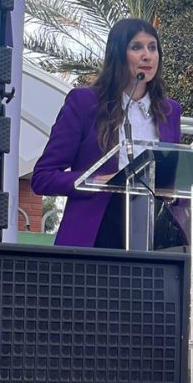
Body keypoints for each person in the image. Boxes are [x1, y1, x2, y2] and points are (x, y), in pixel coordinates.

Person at [32, 18, 183, 249]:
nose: (147, 55)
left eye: (153, 48)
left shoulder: (169, 111)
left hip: (155, 236)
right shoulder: (85, 103)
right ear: (117, 54)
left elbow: (175, 179)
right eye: (136, 47)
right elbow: (43, 177)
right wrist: (95, 181)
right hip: (97, 233)